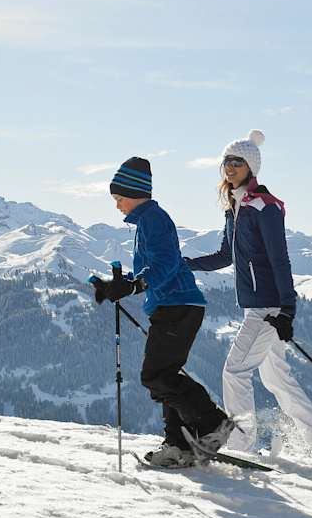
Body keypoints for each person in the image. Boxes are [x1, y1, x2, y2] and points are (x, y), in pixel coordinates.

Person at [185, 130, 312, 458]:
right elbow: (226, 255)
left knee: (235, 371)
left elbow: (279, 259)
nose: (230, 167)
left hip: (267, 307)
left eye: (238, 162)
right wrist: (188, 265)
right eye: (226, 161)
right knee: (275, 377)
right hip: (257, 305)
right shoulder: (235, 207)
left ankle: (241, 446)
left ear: (251, 167)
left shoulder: (263, 207)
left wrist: (287, 309)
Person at [90, 156, 234, 468]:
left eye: (118, 199)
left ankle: (211, 423)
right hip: (176, 306)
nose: (117, 206)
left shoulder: (153, 220)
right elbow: (151, 269)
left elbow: (167, 264)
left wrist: (136, 285)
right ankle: (179, 442)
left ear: (134, 193)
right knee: (165, 374)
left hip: (177, 306)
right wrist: (116, 286)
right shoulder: (147, 221)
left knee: (156, 376)